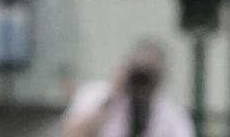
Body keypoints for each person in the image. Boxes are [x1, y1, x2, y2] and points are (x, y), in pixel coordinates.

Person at [62, 39, 195, 137]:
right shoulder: (95, 94)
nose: (142, 80)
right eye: (138, 72)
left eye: (149, 74)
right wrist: (112, 97)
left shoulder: (171, 115)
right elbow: (73, 134)